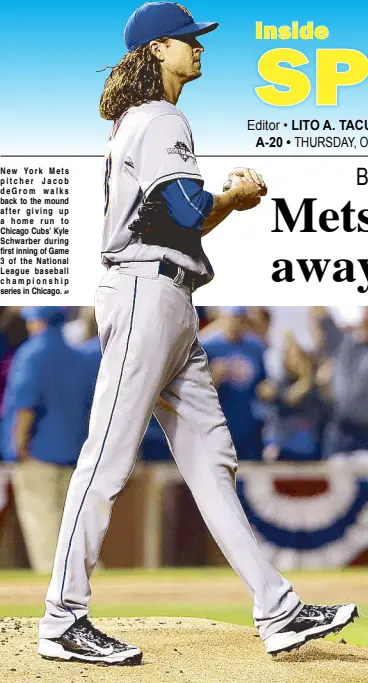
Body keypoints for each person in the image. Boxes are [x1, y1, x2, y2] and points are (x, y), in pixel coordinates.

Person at [38, 2, 357, 666]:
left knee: (211, 457)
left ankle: (278, 607)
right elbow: (184, 209)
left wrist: (224, 205)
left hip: (170, 295)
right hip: (143, 291)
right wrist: (236, 195)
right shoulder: (160, 118)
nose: (197, 47)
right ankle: (63, 618)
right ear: (157, 51)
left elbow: (174, 223)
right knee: (108, 456)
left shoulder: (144, 122)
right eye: (186, 39)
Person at [1, 307, 96, 572]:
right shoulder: (79, 356)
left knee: (44, 531)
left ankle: (57, 597)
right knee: (74, 530)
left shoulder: (32, 354)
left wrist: (18, 446)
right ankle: (93, 586)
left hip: (37, 456)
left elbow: (25, 405)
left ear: (36, 321)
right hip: (74, 456)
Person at [202, 307, 266, 460]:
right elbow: (198, 393)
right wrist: (214, 377)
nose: (234, 323)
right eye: (231, 318)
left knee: (250, 475)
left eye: (239, 319)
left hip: (248, 425)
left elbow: (263, 382)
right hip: (219, 425)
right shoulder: (208, 347)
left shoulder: (255, 347)